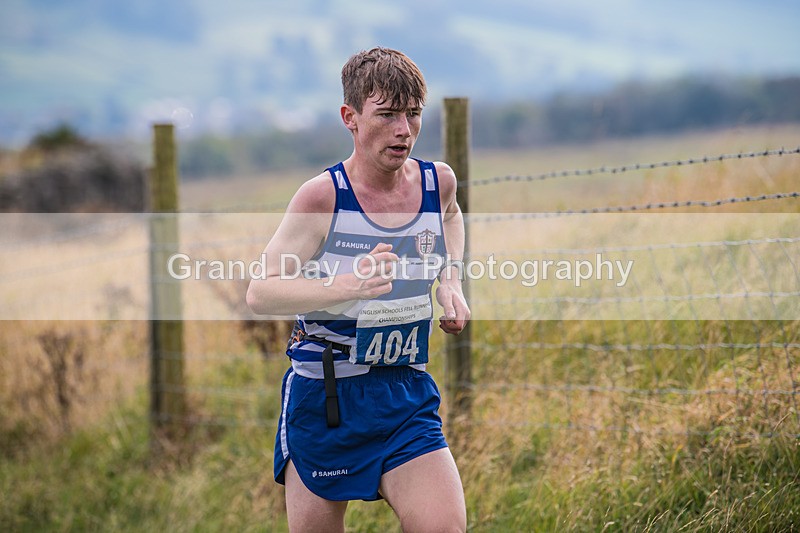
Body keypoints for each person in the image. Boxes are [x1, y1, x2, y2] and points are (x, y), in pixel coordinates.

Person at [247, 46, 469, 532]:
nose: (403, 130)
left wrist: (449, 280)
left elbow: (450, 217)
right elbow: (261, 291)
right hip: (326, 394)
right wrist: (345, 285)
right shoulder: (323, 196)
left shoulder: (439, 183)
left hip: (403, 391)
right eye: (387, 115)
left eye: (412, 115)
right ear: (350, 117)